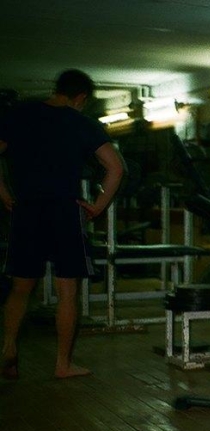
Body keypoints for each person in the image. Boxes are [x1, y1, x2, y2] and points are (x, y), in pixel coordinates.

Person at [0, 69, 124, 380]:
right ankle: (62, 364)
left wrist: (3, 193)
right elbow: (116, 168)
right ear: (80, 97)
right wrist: (98, 205)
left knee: (20, 287)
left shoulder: (19, 114)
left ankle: (8, 348)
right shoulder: (82, 123)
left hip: (26, 209)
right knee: (67, 291)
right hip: (64, 212)